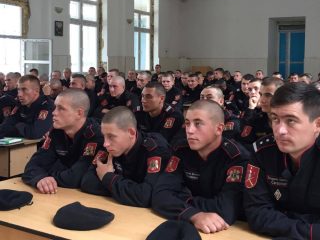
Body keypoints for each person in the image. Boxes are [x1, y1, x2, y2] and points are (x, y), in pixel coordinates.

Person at [152, 100, 250, 234]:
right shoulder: (181, 150)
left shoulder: (237, 158)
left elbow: (226, 210)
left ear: (219, 129)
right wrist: (193, 215)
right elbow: (160, 195)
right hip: (189, 227)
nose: (190, 130)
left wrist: (181, 198)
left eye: (198, 124)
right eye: (187, 123)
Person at [244, 82, 320, 239]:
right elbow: (256, 212)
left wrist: (283, 219)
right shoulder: (262, 152)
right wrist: (309, 229)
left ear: (317, 124)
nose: (280, 130)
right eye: (275, 119)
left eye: (291, 120)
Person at [81, 106, 171, 207]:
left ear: (131, 133)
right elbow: (87, 181)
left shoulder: (155, 149)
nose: (105, 143)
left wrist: (108, 178)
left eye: (111, 136)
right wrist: (125, 190)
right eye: (104, 136)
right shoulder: (109, 146)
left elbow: (146, 196)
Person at [22, 89, 104, 194]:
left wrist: (47, 175)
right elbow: (33, 165)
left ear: (79, 113)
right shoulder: (57, 131)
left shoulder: (96, 135)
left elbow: (75, 178)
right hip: (64, 193)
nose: (54, 112)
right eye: (55, 107)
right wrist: (40, 178)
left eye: (61, 109)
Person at [0, 75, 54, 139]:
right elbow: (4, 127)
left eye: (24, 90)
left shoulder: (46, 105)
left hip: (43, 147)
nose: (19, 94)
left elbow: (34, 133)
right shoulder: (20, 104)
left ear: (36, 91)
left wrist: (18, 125)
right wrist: (24, 127)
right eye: (19, 90)